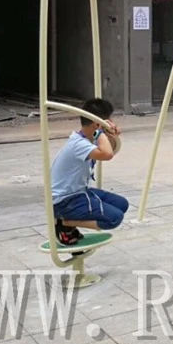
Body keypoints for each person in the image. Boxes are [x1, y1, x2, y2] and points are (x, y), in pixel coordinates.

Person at [51, 98, 130, 245]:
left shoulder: (87, 138)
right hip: (65, 200)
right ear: (97, 123)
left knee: (122, 204)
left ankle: (69, 222)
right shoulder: (79, 144)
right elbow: (107, 155)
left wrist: (111, 135)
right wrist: (101, 133)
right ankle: (65, 222)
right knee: (114, 218)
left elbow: (110, 148)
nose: (112, 122)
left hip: (78, 192)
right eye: (109, 120)